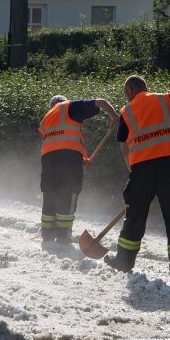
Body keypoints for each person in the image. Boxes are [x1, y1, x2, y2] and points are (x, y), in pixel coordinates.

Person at [104, 75, 170, 284]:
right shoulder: (163, 99)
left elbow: (124, 146)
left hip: (142, 169)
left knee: (135, 216)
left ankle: (123, 261)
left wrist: (132, 170)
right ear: (145, 88)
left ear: (130, 91)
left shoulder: (126, 112)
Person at [38, 94, 118, 245]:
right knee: (69, 194)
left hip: (48, 161)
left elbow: (59, 144)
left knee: (50, 195)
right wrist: (114, 117)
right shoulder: (69, 106)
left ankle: (47, 235)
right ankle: (63, 237)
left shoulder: (46, 118)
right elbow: (100, 102)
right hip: (68, 161)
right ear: (62, 102)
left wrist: (82, 160)